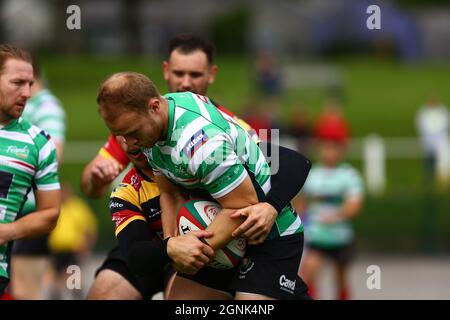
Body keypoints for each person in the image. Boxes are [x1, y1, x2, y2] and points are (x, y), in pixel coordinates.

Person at [86, 34, 311, 300]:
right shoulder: (149, 130)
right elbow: (168, 190)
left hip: (267, 236)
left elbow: (244, 203)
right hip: (217, 228)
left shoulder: (202, 144)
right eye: (120, 134)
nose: (129, 143)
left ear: (154, 107)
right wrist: (174, 244)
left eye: (132, 132)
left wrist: (195, 249)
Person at [0, 44, 61, 298]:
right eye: (17, 83)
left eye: (30, 84)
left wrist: (5, 231)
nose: (26, 93)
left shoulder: (38, 143)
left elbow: (50, 213)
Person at [296, 134, 364, 300]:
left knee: (340, 278)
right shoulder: (312, 173)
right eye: (326, 147)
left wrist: (337, 215)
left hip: (340, 237)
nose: (329, 152)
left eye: (334, 148)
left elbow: (354, 205)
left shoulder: (349, 175)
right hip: (317, 236)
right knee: (309, 272)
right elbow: (301, 202)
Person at [45, 183, 97, 300]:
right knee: (55, 279)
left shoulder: (78, 207)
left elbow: (89, 229)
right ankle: (56, 297)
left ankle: (77, 297)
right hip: (57, 250)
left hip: (73, 249)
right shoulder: (56, 207)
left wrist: (86, 247)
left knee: (73, 279)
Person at [416, 95, 449, 182]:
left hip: (440, 140)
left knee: (442, 161)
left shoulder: (442, 111)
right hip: (428, 141)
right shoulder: (423, 112)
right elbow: (420, 125)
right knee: (428, 160)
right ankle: (428, 178)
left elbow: (445, 125)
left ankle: (441, 180)